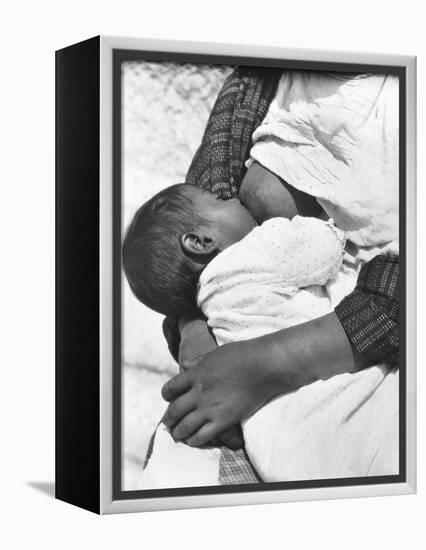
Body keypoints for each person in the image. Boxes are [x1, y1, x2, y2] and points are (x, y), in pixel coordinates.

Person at [159, 67, 400, 484]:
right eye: (223, 196)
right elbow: (201, 207)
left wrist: (267, 364)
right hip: (267, 405)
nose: (228, 193)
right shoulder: (258, 78)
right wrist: (194, 331)